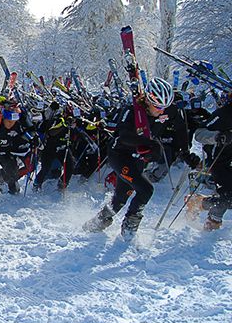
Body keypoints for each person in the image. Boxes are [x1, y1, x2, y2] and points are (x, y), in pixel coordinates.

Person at [83, 77, 200, 239]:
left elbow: (180, 127)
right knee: (146, 189)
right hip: (120, 155)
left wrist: (186, 152)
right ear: (148, 100)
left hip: (139, 157)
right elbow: (123, 136)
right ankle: (129, 227)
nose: (161, 111)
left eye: (165, 107)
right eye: (158, 106)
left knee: (120, 198)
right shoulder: (132, 110)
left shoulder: (167, 110)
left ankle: (97, 222)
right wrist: (151, 144)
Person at [187, 91, 232, 230]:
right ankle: (211, 226)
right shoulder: (225, 114)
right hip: (220, 162)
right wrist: (218, 136)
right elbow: (199, 134)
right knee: (228, 196)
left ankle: (199, 202)